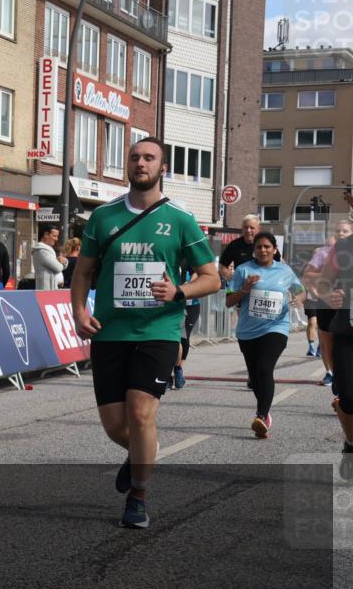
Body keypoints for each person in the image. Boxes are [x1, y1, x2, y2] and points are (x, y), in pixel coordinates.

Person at [71, 137, 220, 528]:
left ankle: (138, 495)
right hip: (110, 331)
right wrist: (77, 312)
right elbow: (82, 272)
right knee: (115, 426)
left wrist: (179, 291)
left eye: (149, 158)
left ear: (162, 168)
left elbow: (212, 278)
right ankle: (143, 450)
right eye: (135, 157)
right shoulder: (103, 217)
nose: (141, 163)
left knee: (140, 412)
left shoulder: (181, 219)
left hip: (159, 330)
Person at [226, 233, 306, 438]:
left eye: (267, 247)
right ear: (254, 250)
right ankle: (265, 411)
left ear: (274, 249)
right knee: (255, 376)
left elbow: (301, 289)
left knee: (264, 368)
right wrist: (245, 288)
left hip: (276, 327)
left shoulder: (285, 270)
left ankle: (262, 416)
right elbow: (228, 301)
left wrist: (299, 297)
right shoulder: (243, 270)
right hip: (247, 331)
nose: (263, 250)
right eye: (259, 247)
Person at [305, 189, 353, 480]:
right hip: (348, 332)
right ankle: (350, 443)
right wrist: (329, 296)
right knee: (348, 397)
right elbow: (322, 282)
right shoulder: (344, 248)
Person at [305, 221, 353, 389]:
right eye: (337, 230)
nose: (340, 233)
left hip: (346, 303)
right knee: (327, 340)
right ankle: (332, 372)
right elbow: (308, 275)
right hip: (329, 301)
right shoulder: (325, 251)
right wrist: (325, 285)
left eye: (344, 231)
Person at [219, 214, 280, 285]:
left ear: (258, 228)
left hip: (265, 285)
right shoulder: (234, 245)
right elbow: (222, 267)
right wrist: (232, 278)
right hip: (242, 287)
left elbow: (278, 266)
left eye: (252, 228)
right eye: (245, 227)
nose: (248, 230)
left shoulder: (267, 244)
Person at [168, 265, 202, 390]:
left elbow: (198, 273)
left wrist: (189, 284)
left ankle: (178, 370)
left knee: (184, 336)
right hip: (174, 306)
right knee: (175, 337)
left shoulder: (188, 259)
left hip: (191, 306)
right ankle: (169, 373)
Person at [32, 224, 67, 291]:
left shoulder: (48, 249)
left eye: (57, 236)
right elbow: (58, 268)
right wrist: (62, 262)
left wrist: (64, 261)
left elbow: (58, 266)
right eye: (54, 236)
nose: (56, 239)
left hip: (51, 288)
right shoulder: (41, 250)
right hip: (45, 289)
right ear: (46, 234)